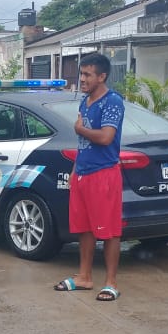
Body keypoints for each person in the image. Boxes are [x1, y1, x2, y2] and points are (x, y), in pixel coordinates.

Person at [54, 52, 125, 301]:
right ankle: (84, 277)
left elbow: (105, 137)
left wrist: (80, 128)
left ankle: (111, 282)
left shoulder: (112, 101)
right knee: (84, 229)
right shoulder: (85, 102)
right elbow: (83, 142)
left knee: (109, 230)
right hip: (83, 172)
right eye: (81, 73)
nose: (81, 79)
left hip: (103, 174)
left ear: (102, 76)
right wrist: (75, 171)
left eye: (87, 74)